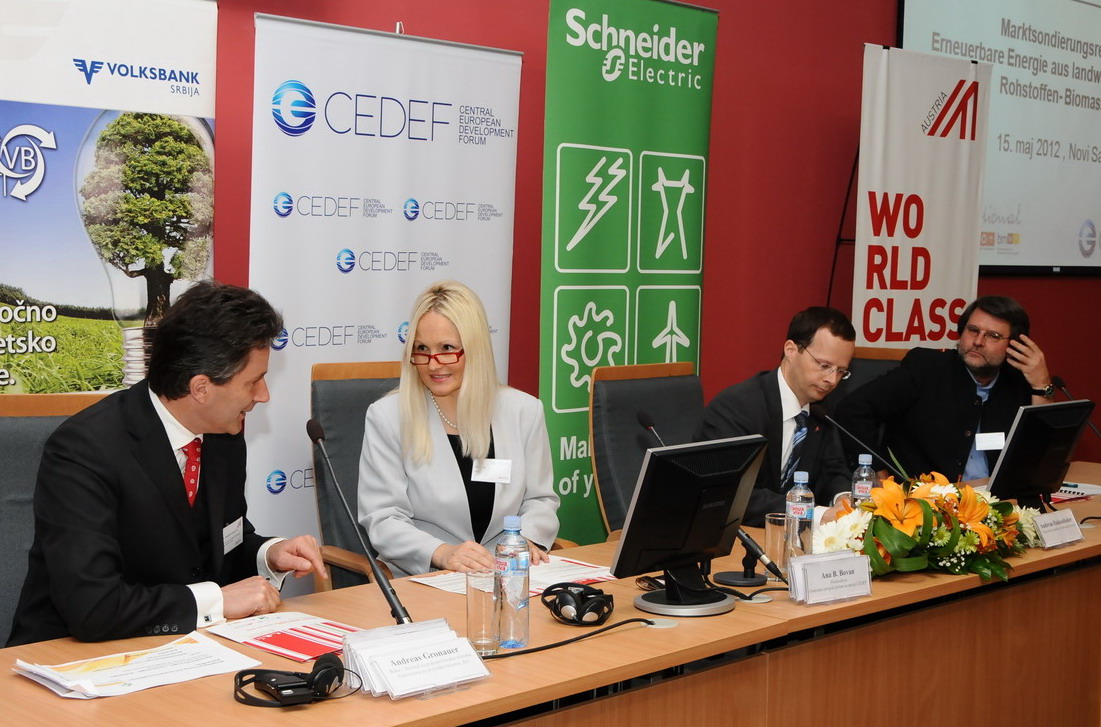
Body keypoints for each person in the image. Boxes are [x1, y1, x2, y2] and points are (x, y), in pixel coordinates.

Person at [8, 281, 325, 646]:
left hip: (177, 649)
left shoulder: (223, 435)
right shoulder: (84, 449)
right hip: (67, 656)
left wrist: (268, 554)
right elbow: (92, 607)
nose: (263, 396)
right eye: (254, 382)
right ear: (200, 388)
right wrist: (217, 601)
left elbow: (212, 547)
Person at [357, 280, 559, 577]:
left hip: (508, 574)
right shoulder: (388, 417)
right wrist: (442, 553)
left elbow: (540, 500)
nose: (433, 364)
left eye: (447, 348)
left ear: (475, 349)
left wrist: (525, 541)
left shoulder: (524, 411)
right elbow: (383, 518)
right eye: (422, 349)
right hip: (426, 578)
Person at [834, 295, 1053, 483]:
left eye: (993, 336)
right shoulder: (926, 368)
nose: (978, 341)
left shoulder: (1018, 382)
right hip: (929, 504)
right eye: (973, 330)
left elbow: (1041, 456)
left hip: (998, 501)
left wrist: (1041, 385)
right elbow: (853, 410)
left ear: (1014, 345)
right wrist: (877, 472)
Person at [696, 307, 855, 527]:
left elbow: (833, 470)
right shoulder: (737, 408)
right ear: (791, 350)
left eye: (841, 371)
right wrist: (816, 515)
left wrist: (843, 500)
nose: (832, 380)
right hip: (734, 534)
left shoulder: (821, 411)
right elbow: (730, 494)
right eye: (824, 366)